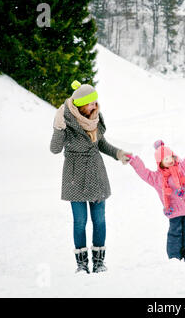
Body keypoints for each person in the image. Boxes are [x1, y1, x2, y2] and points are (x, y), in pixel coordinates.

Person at [50, 80, 132, 273]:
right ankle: (81, 264)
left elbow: (101, 144)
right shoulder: (66, 120)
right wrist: (58, 128)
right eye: (90, 103)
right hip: (74, 177)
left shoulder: (95, 118)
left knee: (99, 220)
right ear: (79, 104)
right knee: (80, 221)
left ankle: (99, 262)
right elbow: (54, 149)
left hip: (96, 174)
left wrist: (118, 153)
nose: (94, 106)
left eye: (95, 102)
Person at [128, 130, 185, 261]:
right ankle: (175, 257)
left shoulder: (184, 166)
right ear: (160, 162)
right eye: (165, 159)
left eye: (170, 157)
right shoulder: (157, 178)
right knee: (175, 233)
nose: (169, 160)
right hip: (174, 209)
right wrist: (134, 161)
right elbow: (144, 173)